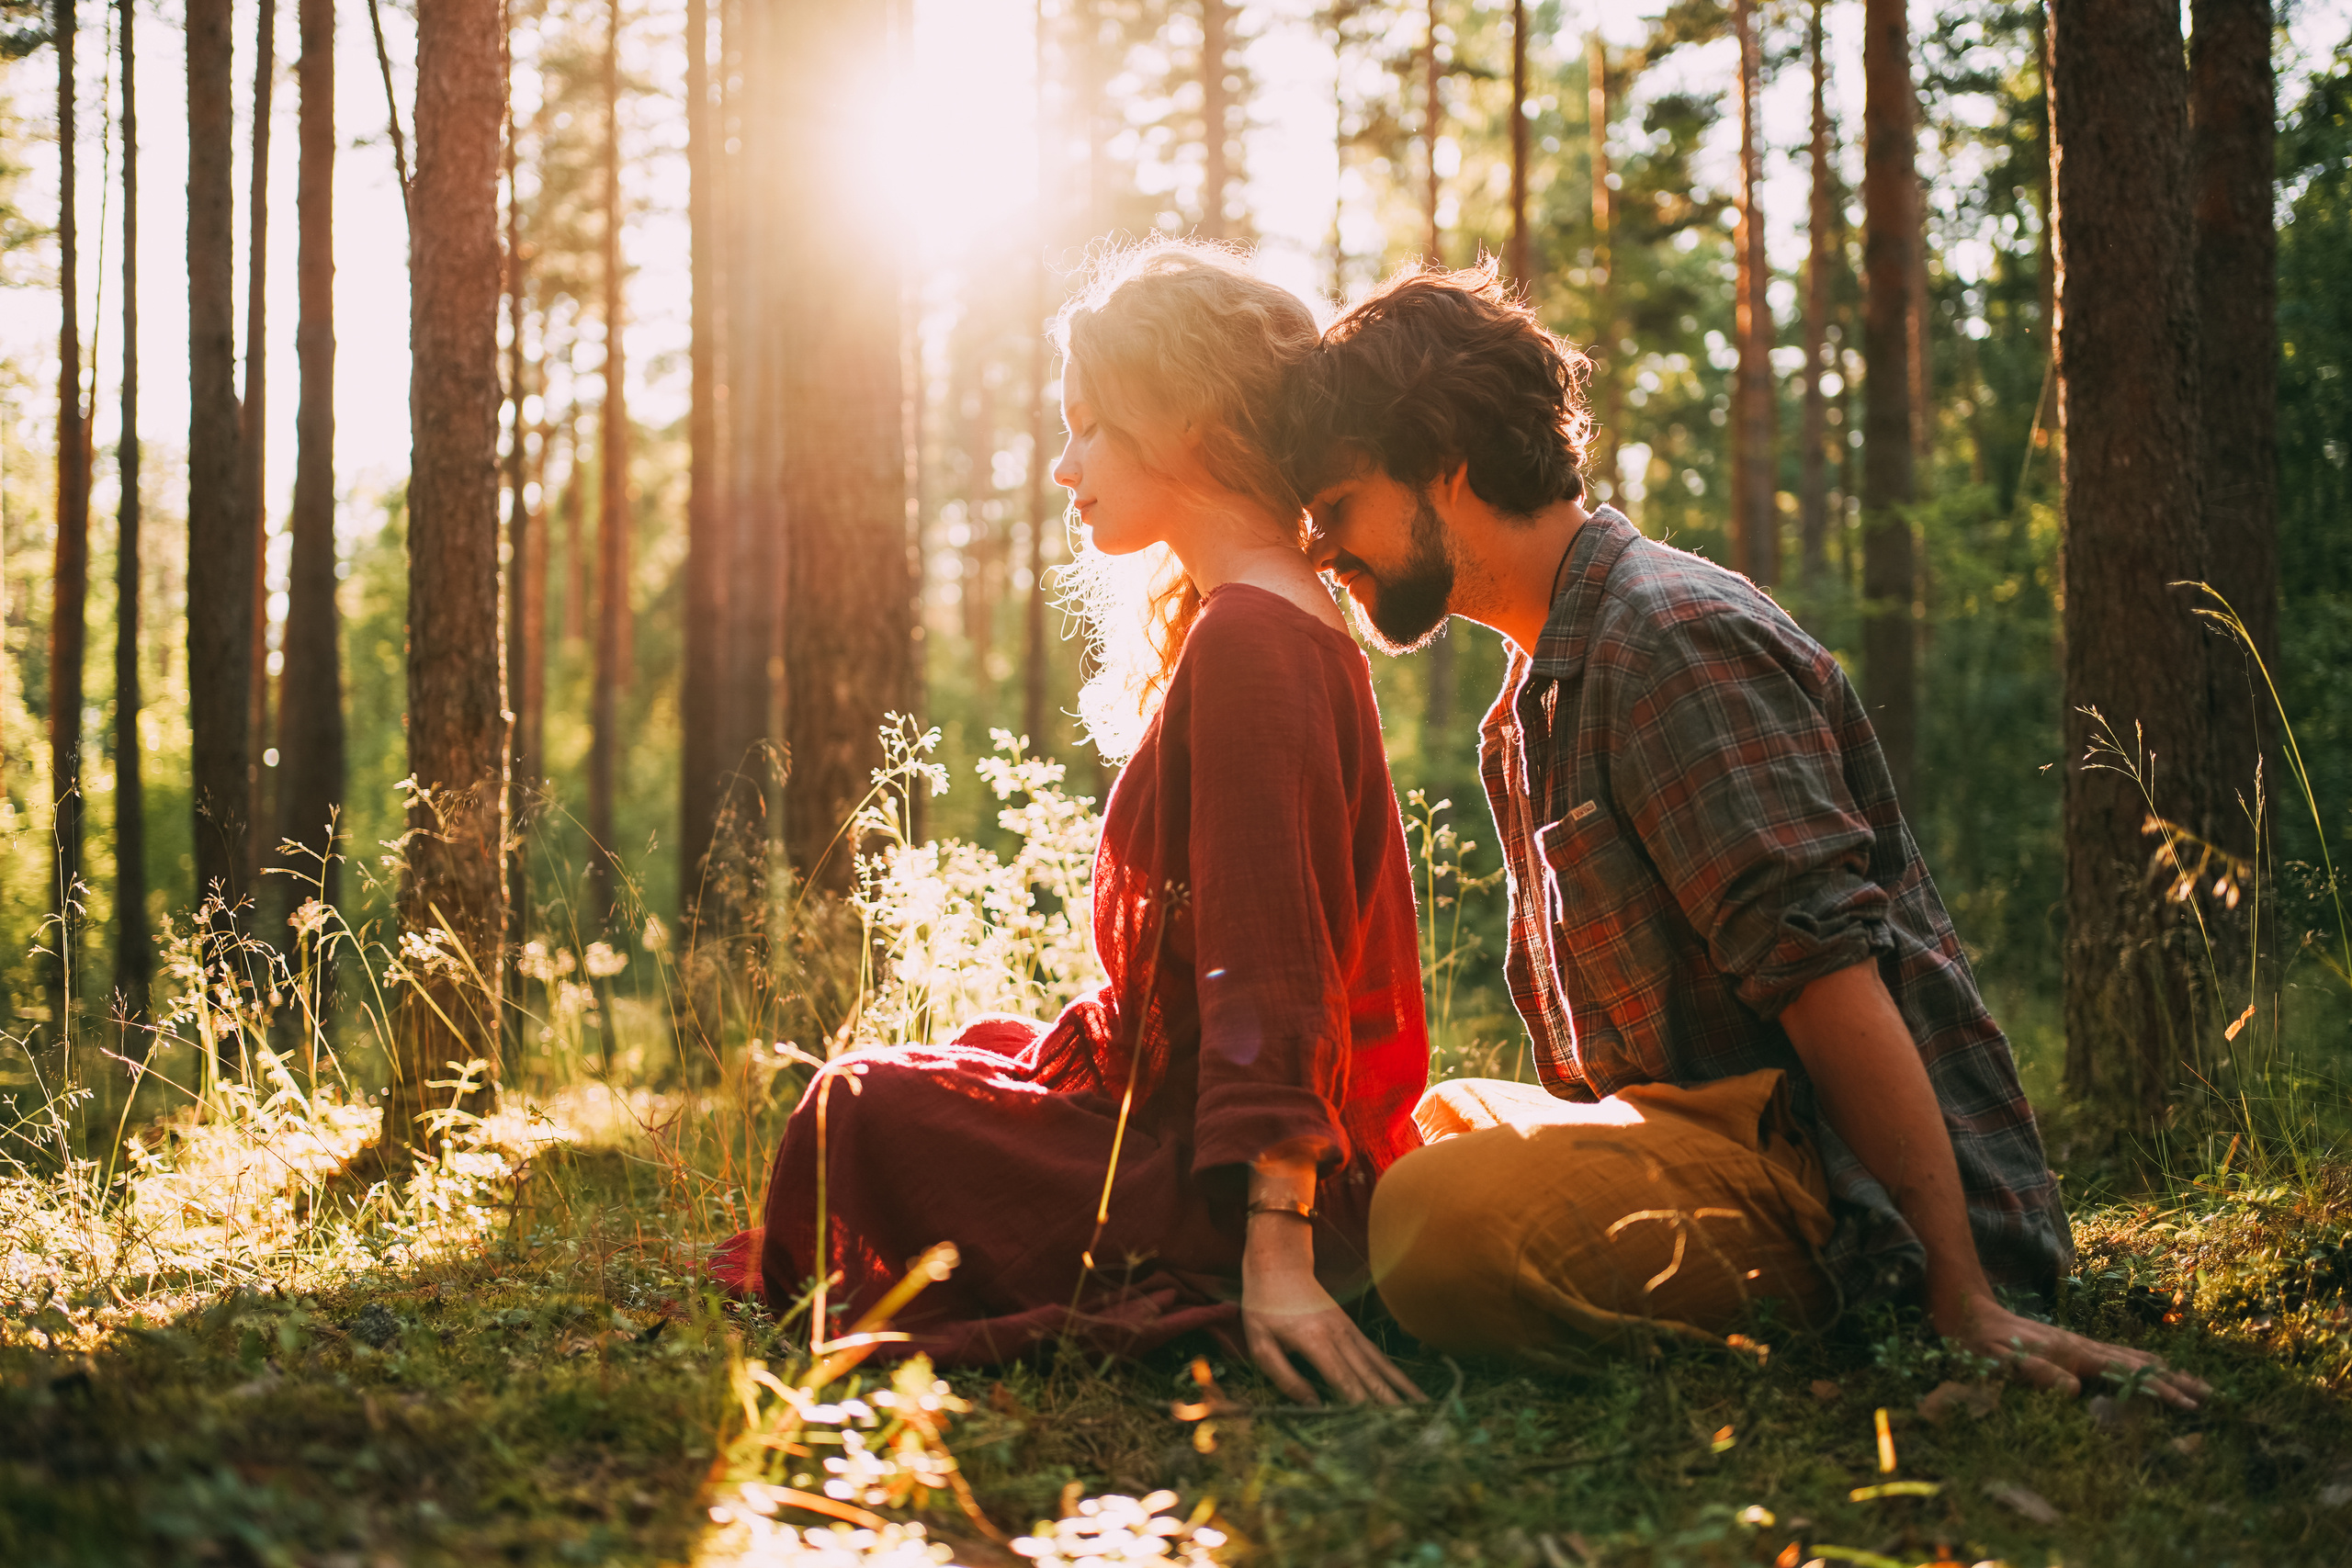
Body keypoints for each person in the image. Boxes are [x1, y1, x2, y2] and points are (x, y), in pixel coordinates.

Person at [1283, 264, 2208, 1407]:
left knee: (1430, 1214)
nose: (1322, 549)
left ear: (1444, 465)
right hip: (1697, 1144)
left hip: (1839, 1201)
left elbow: (1828, 979)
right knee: (1408, 1137)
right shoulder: (1531, 706)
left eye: (1335, 507)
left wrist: (1963, 1301)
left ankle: (1889, 1314)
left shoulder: (1666, 640)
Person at [717, 243, 1427, 1406]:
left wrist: (1280, 1253)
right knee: (989, 1048)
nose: (1062, 466)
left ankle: (1225, 1256)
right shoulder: (1253, 619)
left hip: (1230, 1186)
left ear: (1184, 424)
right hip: (1197, 1132)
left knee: (853, 1109)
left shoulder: (1257, 640)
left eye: (1090, 426)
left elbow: (1276, 974)